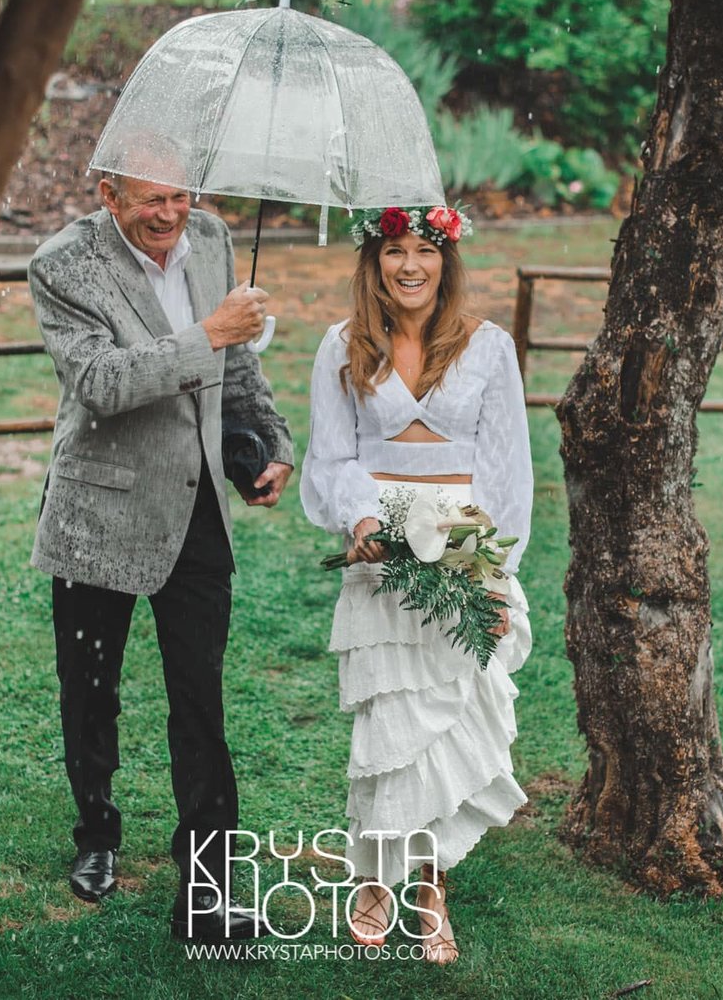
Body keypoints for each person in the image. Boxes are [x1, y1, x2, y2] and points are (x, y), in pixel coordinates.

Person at [28, 169, 294, 943]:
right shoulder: (63, 263)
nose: (171, 215)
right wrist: (207, 332)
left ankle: (205, 890)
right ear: (110, 195)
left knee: (201, 703)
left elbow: (237, 364)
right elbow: (101, 382)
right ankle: (97, 837)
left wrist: (267, 441)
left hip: (196, 506)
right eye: (152, 200)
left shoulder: (210, 238)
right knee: (91, 688)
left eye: (181, 197)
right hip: (98, 507)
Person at [301, 204, 533, 965]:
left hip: (462, 533)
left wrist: (491, 571)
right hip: (382, 539)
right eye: (394, 251)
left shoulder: (488, 348)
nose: (409, 266)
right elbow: (333, 458)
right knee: (391, 726)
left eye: (424, 252)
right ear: (374, 260)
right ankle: (374, 877)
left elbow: (505, 469)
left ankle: (429, 887)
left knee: (450, 719)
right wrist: (362, 517)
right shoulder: (343, 345)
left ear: (446, 260)